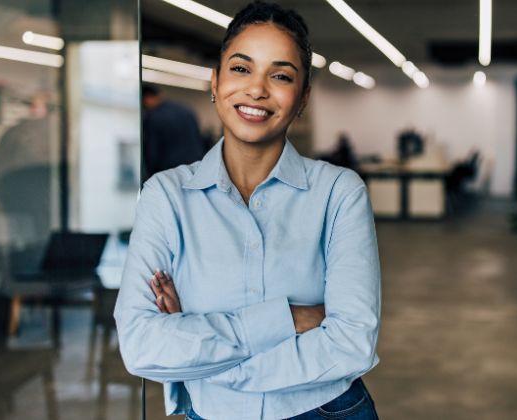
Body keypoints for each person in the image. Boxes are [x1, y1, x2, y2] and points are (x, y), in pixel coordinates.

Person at [114, 2, 382, 419]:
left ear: (303, 97)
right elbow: (141, 346)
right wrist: (286, 320)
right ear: (215, 82)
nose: (257, 89)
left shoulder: (338, 193)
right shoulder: (165, 196)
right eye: (241, 69)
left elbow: (351, 342)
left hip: (326, 411)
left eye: (280, 75)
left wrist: (204, 354)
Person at [141, 84, 207, 182]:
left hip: (169, 172)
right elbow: (199, 139)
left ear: (147, 98)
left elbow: (152, 151)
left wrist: (151, 177)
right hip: (195, 167)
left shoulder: (153, 117)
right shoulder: (186, 110)